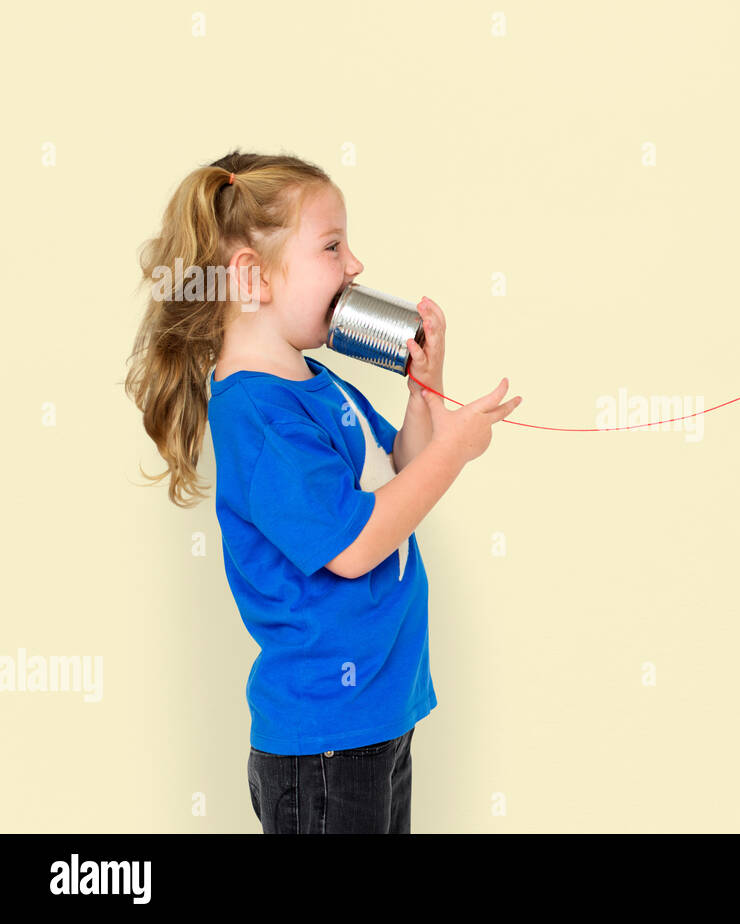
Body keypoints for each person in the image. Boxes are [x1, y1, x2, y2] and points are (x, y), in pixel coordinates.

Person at [125, 150, 522, 832]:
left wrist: (425, 392)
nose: (356, 266)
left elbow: (396, 474)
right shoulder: (259, 417)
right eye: (332, 247)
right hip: (325, 740)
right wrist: (455, 452)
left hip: (377, 712)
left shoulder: (317, 382)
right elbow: (357, 544)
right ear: (254, 277)